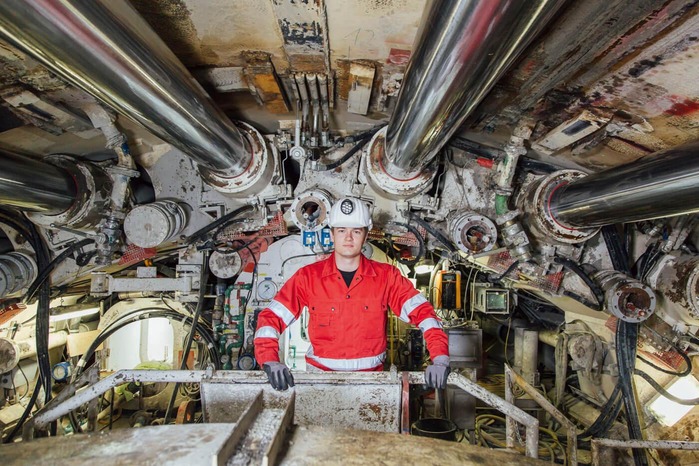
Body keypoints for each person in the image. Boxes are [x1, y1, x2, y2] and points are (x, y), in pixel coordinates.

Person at [254, 196, 450, 391]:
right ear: (332, 234)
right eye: (341, 231)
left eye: (356, 231)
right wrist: (270, 360)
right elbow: (271, 318)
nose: (348, 238)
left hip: (372, 385)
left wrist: (440, 357)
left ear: (366, 235)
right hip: (319, 384)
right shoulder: (308, 277)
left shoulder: (387, 276)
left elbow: (424, 314)